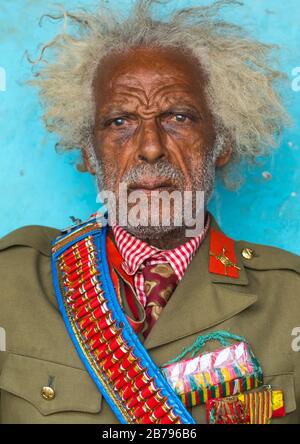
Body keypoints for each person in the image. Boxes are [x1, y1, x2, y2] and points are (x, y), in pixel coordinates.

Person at [0, 0, 299, 424]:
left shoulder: (291, 300)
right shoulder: (12, 283)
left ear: (222, 143)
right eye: (120, 122)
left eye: (178, 117)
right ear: (89, 153)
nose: (151, 147)